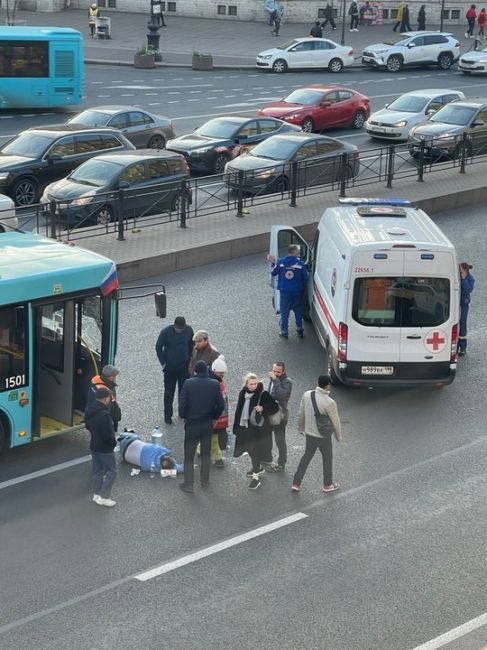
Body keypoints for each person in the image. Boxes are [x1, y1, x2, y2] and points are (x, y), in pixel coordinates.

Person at [178, 360, 224, 493]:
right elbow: (220, 405)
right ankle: (205, 480)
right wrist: (214, 417)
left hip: (192, 423)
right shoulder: (214, 384)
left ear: (195, 372)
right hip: (207, 424)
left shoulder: (188, 383)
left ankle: (189, 484)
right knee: (205, 453)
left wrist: (184, 415)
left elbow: (183, 404)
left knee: (189, 455)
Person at [292, 374, 342, 493]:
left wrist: (301, 428)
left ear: (317, 382)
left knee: (306, 457)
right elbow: (336, 422)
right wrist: (338, 436)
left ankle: (296, 483)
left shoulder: (307, 394)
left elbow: (301, 413)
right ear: (328, 385)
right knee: (327, 459)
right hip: (323, 437)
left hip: (310, 434)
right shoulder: (330, 402)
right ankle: (327, 485)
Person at [233, 373, 279, 490]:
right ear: (246, 384)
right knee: (250, 450)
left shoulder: (263, 395)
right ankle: (257, 468)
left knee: (255, 452)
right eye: (251, 384)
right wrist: (236, 427)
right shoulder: (243, 393)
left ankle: (256, 477)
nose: (253, 386)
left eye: (255, 384)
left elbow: (274, 407)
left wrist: (263, 408)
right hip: (246, 427)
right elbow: (238, 410)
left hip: (259, 430)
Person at [155, 316, 194, 424]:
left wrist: (190, 359)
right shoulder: (165, 332)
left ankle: (183, 413)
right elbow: (158, 347)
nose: (179, 330)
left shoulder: (189, 330)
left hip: (184, 367)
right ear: (174, 325)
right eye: (178, 328)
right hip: (170, 368)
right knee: (169, 392)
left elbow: (191, 344)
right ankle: (168, 415)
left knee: (184, 391)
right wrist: (163, 363)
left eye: (181, 328)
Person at [267, 244, 309, 339]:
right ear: (294, 252)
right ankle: (299, 329)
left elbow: (274, 272)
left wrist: (273, 262)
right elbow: (305, 278)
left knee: (284, 312)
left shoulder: (281, 262)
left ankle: (284, 331)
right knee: (298, 309)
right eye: (297, 251)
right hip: (296, 291)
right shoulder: (300, 264)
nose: (298, 252)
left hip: (284, 291)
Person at [86, 386, 117, 507]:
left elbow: (88, 426)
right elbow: (109, 435)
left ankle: (97, 493)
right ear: (105, 399)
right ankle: (104, 496)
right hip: (105, 448)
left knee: (97, 470)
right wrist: (113, 444)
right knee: (112, 472)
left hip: (94, 445)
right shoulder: (104, 415)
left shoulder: (90, 410)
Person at [196, 355, 229, 467]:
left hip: (209, 415)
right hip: (215, 416)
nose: (223, 375)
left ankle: (200, 450)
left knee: (206, 435)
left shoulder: (211, 379)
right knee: (214, 439)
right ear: (215, 370)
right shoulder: (215, 383)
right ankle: (218, 459)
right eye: (221, 373)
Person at [118, 431, 183, 474]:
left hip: (129, 441)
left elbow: (168, 452)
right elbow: (175, 471)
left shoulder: (159, 449)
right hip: (124, 455)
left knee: (136, 437)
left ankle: (122, 434)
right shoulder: (155, 468)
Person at [267, 361, 293, 471]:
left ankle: (281, 463)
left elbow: (282, 395)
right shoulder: (273, 379)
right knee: (266, 438)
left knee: (280, 440)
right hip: (269, 413)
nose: (275, 373)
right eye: (274, 371)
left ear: (283, 371)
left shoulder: (287, 382)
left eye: (278, 372)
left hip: (280, 416)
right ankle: (267, 459)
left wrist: (276, 381)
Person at [86, 365, 121, 432]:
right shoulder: (107, 392)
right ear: (111, 377)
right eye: (115, 376)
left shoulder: (94, 382)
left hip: (91, 419)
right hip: (103, 424)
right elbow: (115, 414)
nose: (115, 378)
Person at [458, 263, 475, 356]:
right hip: (455, 302)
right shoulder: (456, 276)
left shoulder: (470, 278)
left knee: (463, 323)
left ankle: (463, 347)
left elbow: (469, 289)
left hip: (463, 303)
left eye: (461, 271)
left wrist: (463, 279)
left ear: (465, 270)